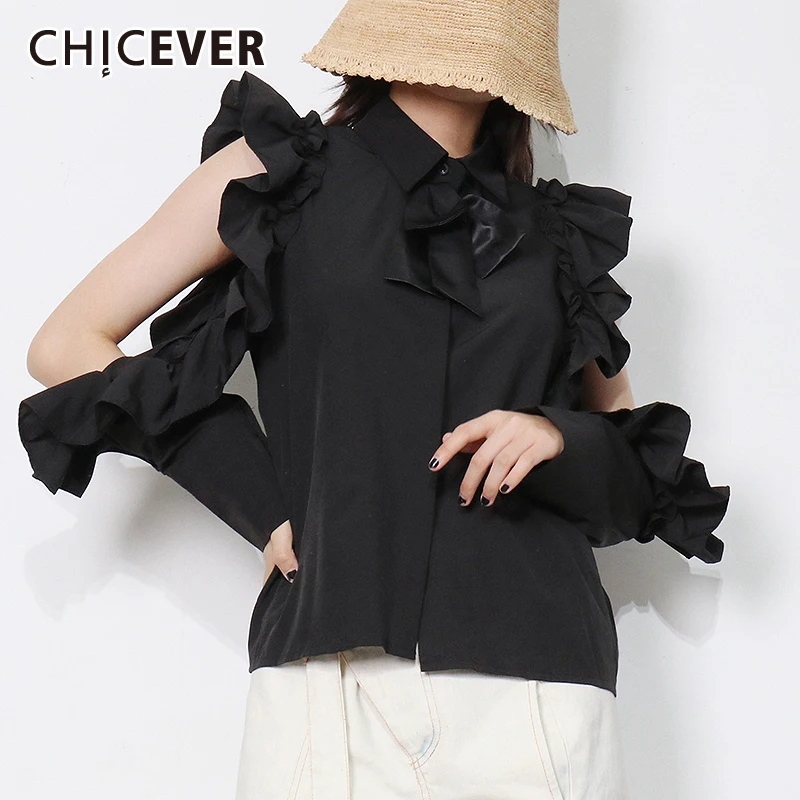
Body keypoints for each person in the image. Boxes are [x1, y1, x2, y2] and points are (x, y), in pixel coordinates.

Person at [18, 1, 731, 797]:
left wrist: (557, 439)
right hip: (323, 674)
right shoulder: (280, 174)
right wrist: (255, 494)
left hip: (532, 689)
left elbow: (644, 480)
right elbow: (67, 344)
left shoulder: (557, 238)